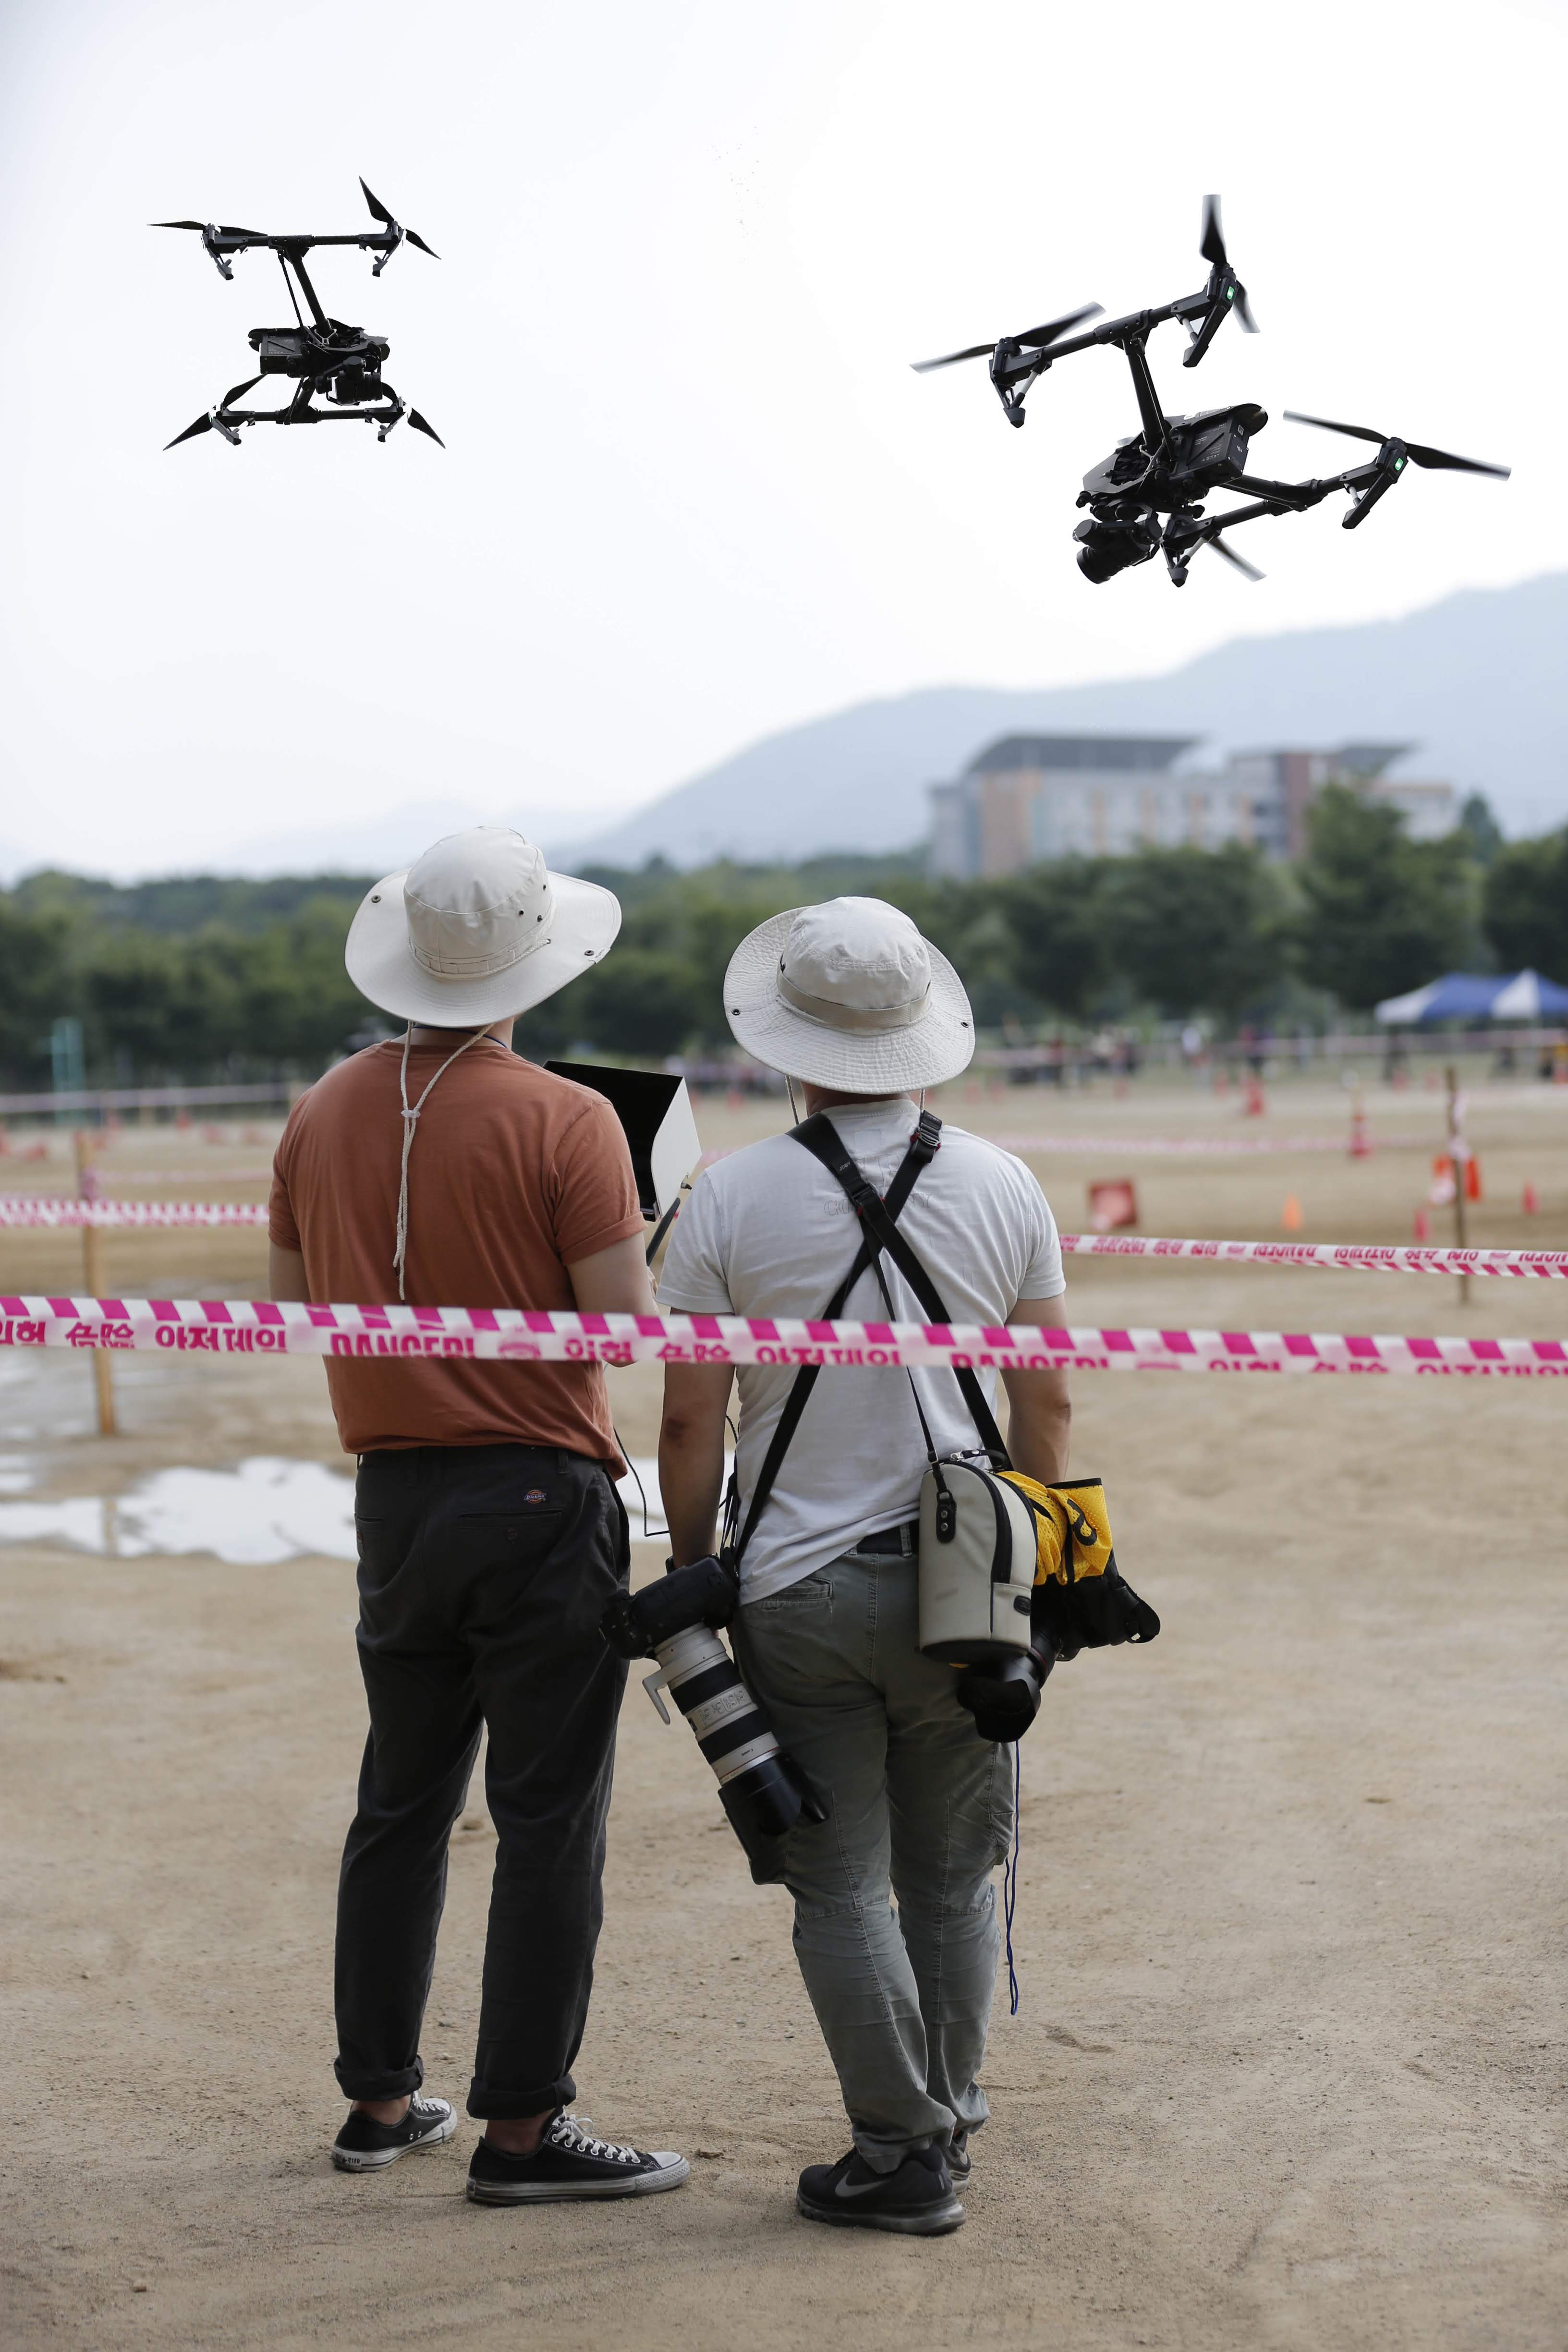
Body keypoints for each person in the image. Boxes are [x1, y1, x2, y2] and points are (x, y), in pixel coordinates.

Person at [268, 825, 688, 2206]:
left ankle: (380, 2095)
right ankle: (521, 2126)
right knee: (547, 1814)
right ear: (533, 964)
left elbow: (290, 1300)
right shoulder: (566, 1115)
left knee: (400, 1800)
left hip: (393, 1489)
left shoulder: (320, 1104)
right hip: (537, 1483)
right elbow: (625, 1331)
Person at [656, 897, 1071, 2235]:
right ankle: (944, 2110)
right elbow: (1048, 1408)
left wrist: (695, 1564)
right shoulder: (1005, 1183)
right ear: (922, 1033)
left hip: (796, 1586)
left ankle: (896, 2151)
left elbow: (685, 1415)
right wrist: (1052, 1561)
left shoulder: (726, 1195)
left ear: (789, 1044)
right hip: (970, 1581)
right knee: (952, 1874)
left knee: (836, 1879)